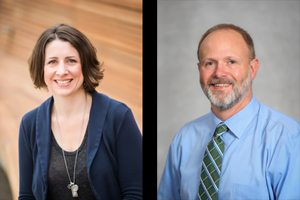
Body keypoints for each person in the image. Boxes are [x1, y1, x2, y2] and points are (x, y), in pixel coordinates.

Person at [158, 24, 300, 200]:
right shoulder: (184, 139)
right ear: (199, 70)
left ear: (253, 68)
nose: (219, 73)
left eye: (231, 62)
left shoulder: (286, 138)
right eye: (210, 63)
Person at [18, 24, 142, 200]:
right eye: (52, 62)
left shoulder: (118, 117)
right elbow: (26, 195)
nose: (62, 71)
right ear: (42, 69)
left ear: (85, 65)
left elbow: (136, 193)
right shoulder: (29, 124)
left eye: (71, 61)